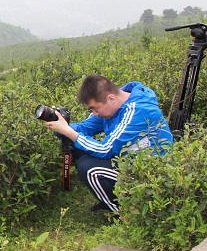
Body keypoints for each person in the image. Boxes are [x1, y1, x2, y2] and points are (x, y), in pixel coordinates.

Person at [43, 74, 173, 214]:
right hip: (129, 159)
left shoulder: (137, 111)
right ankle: (113, 201)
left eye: (95, 108)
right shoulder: (113, 103)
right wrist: (60, 125)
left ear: (111, 99)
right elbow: (85, 128)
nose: (95, 114)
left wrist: (68, 131)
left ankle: (125, 215)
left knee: (89, 168)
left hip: (153, 173)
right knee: (76, 145)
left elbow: (106, 149)